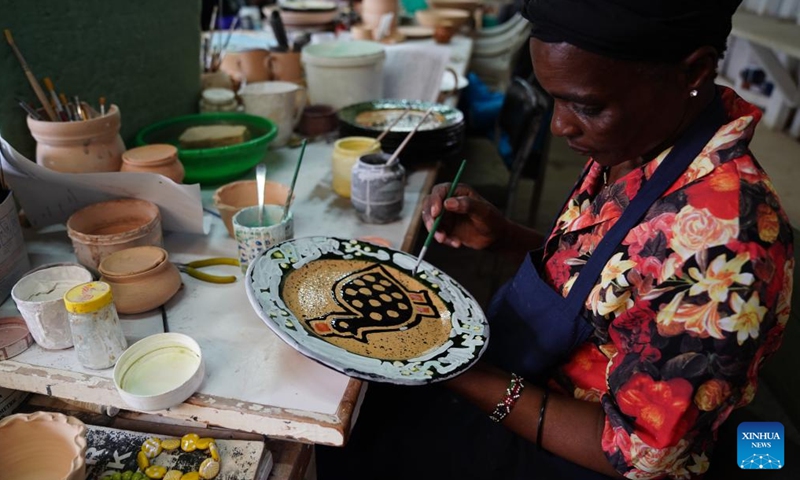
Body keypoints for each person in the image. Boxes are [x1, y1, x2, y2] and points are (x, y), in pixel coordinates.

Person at [316, 1, 795, 478]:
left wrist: (447, 363)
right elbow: (625, 279)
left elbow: (642, 456)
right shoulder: (638, 138)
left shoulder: (729, 239)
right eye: (555, 100)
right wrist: (506, 237)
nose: (560, 125)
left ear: (693, 71)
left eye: (585, 106)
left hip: (580, 454)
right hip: (527, 388)